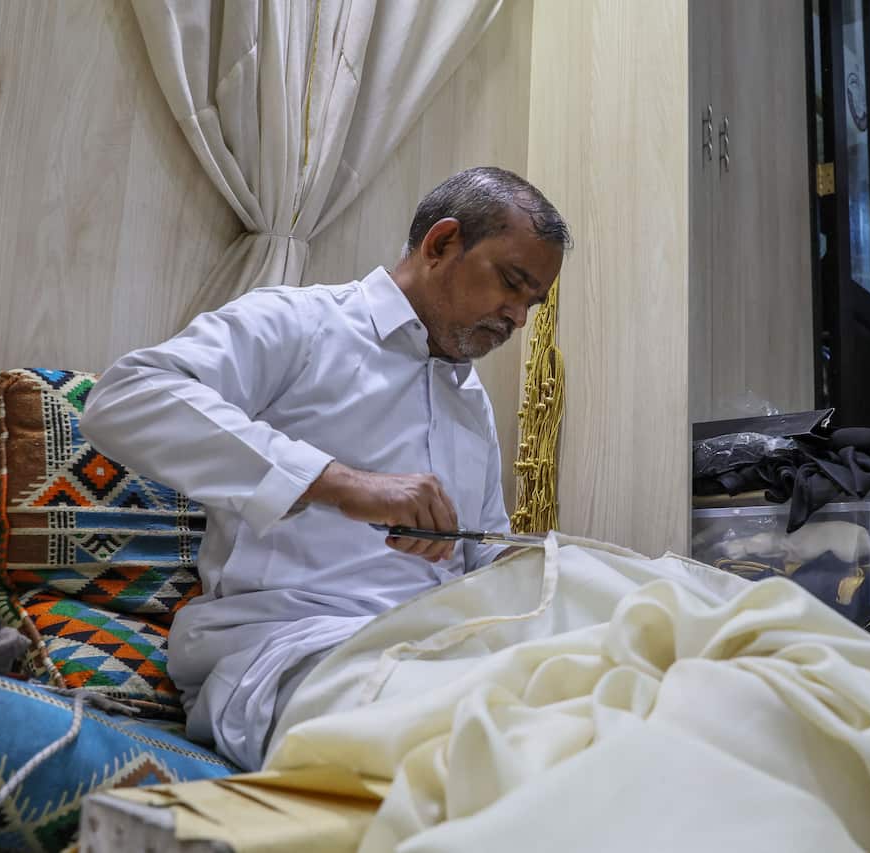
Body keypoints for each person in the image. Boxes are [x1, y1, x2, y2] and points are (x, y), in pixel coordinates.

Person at [82, 166, 568, 770]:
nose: (518, 318)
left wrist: (538, 567)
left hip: (447, 648)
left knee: (618, 694)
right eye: (512, 283)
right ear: (442, 244)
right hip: (292, 651)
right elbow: (125, 398)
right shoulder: (299, 323)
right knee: (469, 744)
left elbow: (480, 554)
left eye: (532, 302)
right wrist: (337, 482)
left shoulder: (469, 399)